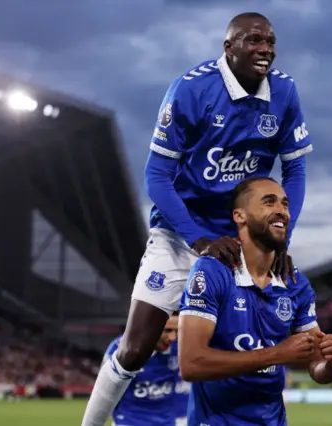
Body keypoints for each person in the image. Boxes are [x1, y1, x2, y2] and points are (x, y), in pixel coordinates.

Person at [81, 11, 312, 426]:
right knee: (134, 348)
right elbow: (156, 176)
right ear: (229, 47)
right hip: (179, 233)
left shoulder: (284, 92)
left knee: (252, 345)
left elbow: (294, 170)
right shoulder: (191, 90)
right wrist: (197, 238)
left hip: (240, 241)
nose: (265, 50)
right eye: (254, 40)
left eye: (271, 42)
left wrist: (281, 240)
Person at [178, 177, 332, 425]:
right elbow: (191, 364)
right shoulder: (213, 272)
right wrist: (277, 354)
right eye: (269, 202)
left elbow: (317, 367)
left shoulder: (295, 284)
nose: (282, 211)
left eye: (285, 204)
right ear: (239, 216)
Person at [105, 312, 180, 426]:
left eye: (177, 331)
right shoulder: (121, 348)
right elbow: (106, 390)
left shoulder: (179, 346)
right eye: (167, 330)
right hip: (128, 422)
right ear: (151, 327)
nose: (173, 337)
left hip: (167, 423)